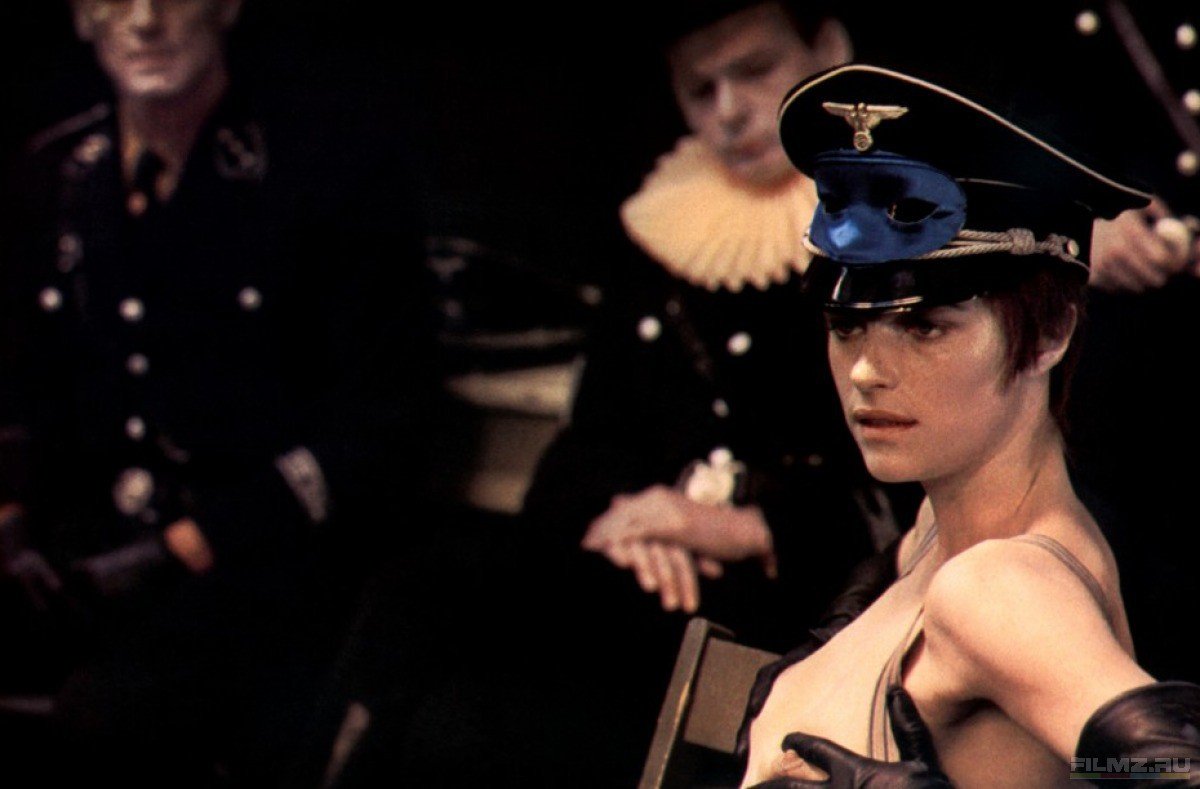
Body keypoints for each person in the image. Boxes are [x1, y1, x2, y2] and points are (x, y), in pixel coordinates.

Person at [0, 0, 435, 784]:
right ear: (82, 16)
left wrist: (188, 545)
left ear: (227, 5)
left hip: (257, 567)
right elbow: (26, 391)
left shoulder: (330, 173)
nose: (144, 20)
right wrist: (11, 521)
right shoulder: (58, 172)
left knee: (103, 719)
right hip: (88, 552)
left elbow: (382, 429)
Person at [738, 64, 1200, 786]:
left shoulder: (999, 589)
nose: (866, 371)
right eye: (846, 326)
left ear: (1050, 333)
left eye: (925, 327)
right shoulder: (936, 532)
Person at [524, 0, 918, 658]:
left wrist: (751, 528)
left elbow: (925, 493)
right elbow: (583, 450)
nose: (729, 111)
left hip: (832, 605)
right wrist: (634, 524)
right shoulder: (665, 231)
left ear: (828, 49)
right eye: (701, 91)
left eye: (756, 70)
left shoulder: (910, 216)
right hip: (659, 585)